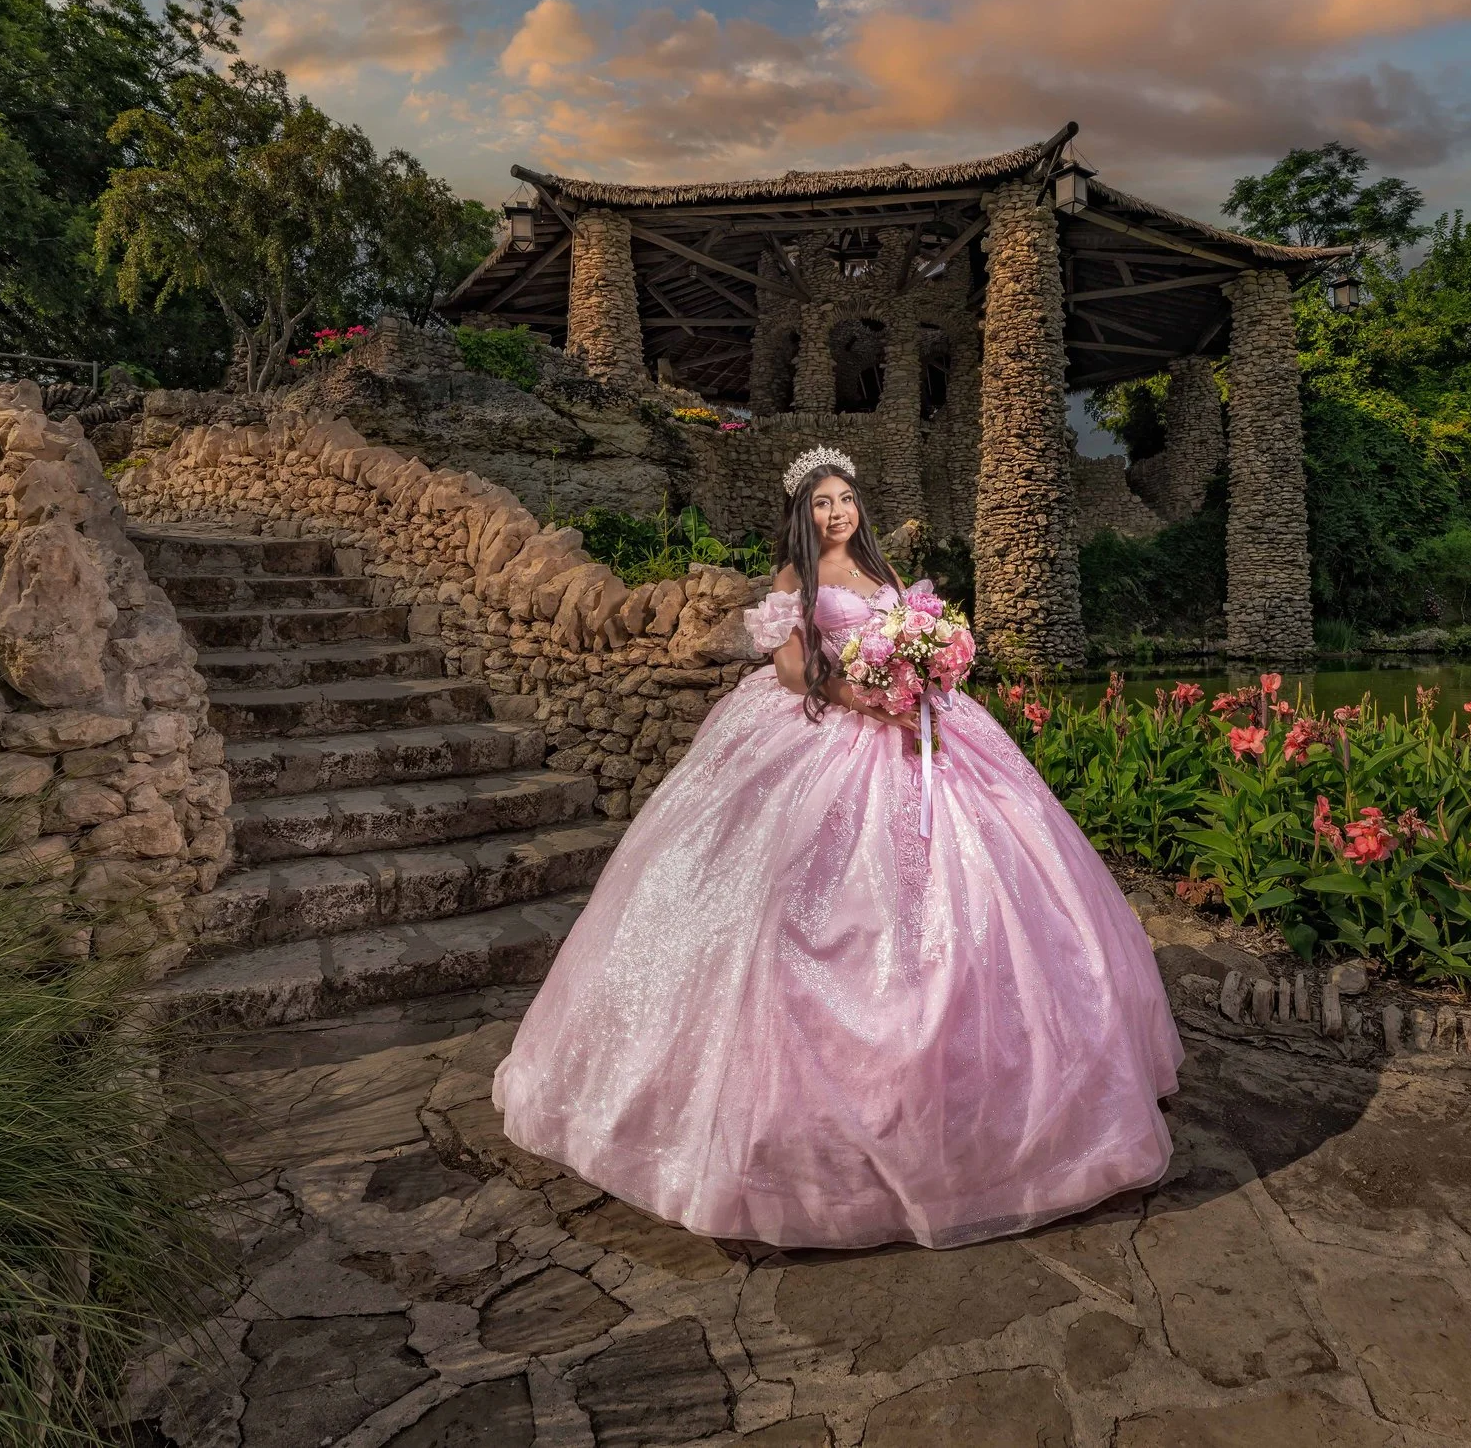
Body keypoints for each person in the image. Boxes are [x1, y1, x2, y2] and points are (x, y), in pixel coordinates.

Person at [490, 446, 1181, 1250]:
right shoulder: (794, 581)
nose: (835, 512)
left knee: (996, 887)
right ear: (801, 513)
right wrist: (864, 696)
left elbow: (917, 642)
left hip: (925, 732)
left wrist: (925, 674)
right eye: (820, 502)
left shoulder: (890, 580)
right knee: (787, 906)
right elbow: (790, 670)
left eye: (844, 498)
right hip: (829, 728)